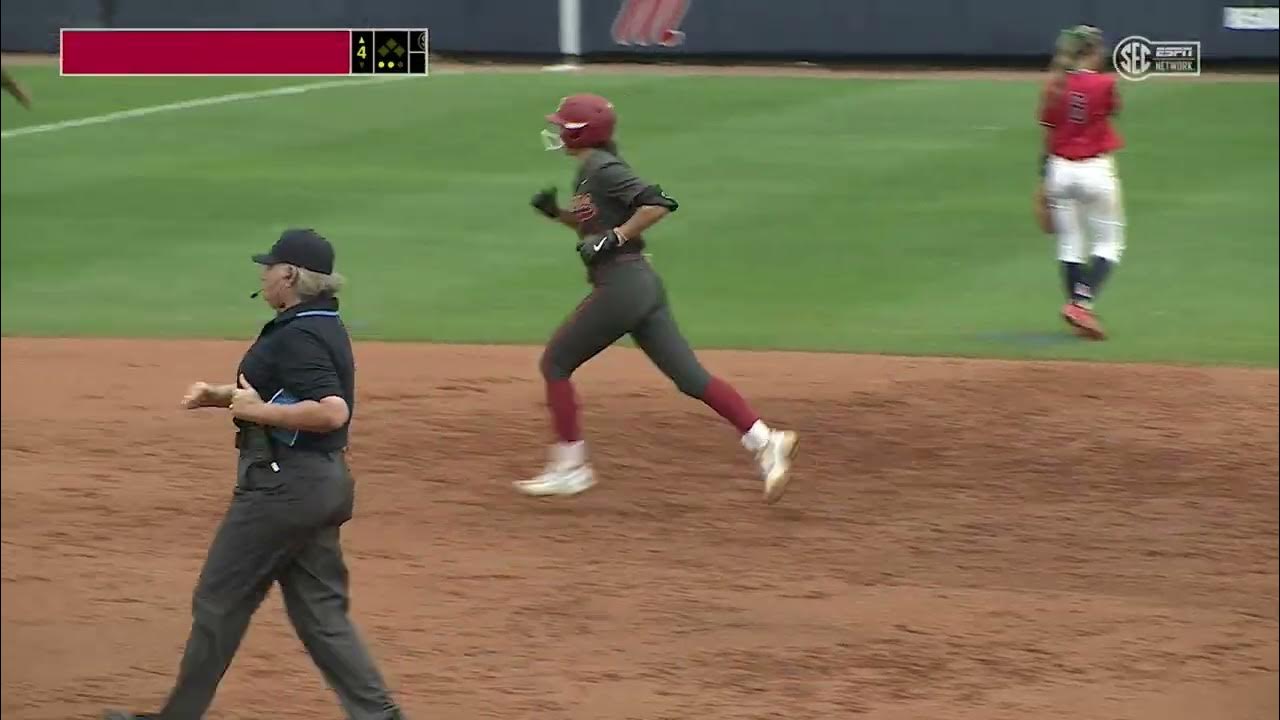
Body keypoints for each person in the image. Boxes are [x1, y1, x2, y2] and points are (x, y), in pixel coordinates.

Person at [104, 229, 405, 720]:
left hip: (282, 490)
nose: (263, 275)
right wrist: (222, 396)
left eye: (269, 267)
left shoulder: (300, 335)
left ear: (290, 275)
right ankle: (379, 715)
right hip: (318, 485)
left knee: (218, 600)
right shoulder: (321, 322)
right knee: (321, 612)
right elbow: (286, 392)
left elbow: (331, 410)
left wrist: (257, 412)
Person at [521, 93, 799, 504]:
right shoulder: (590, 170)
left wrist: (615, 238)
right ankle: (765, 440)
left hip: (623, 287)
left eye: (563, 126)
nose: (558, 132)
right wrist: (558, 215)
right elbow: (594, 230)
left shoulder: (603, 168)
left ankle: (570, 468)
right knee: (691, 379)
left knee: (556, 363)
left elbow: (657, 204)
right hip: (639, 286)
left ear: (581, 133)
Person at [1037, 25, 1125, 340]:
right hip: (1095, 170)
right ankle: (1080, 303)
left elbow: (1048, 134)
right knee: (1109, 244)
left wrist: (1042, 182)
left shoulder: (1054, 86)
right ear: (1093, 52)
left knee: (1070, 242)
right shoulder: (1105, 83)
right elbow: (1114, 110)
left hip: (1059, 170)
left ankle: (1079, 309)